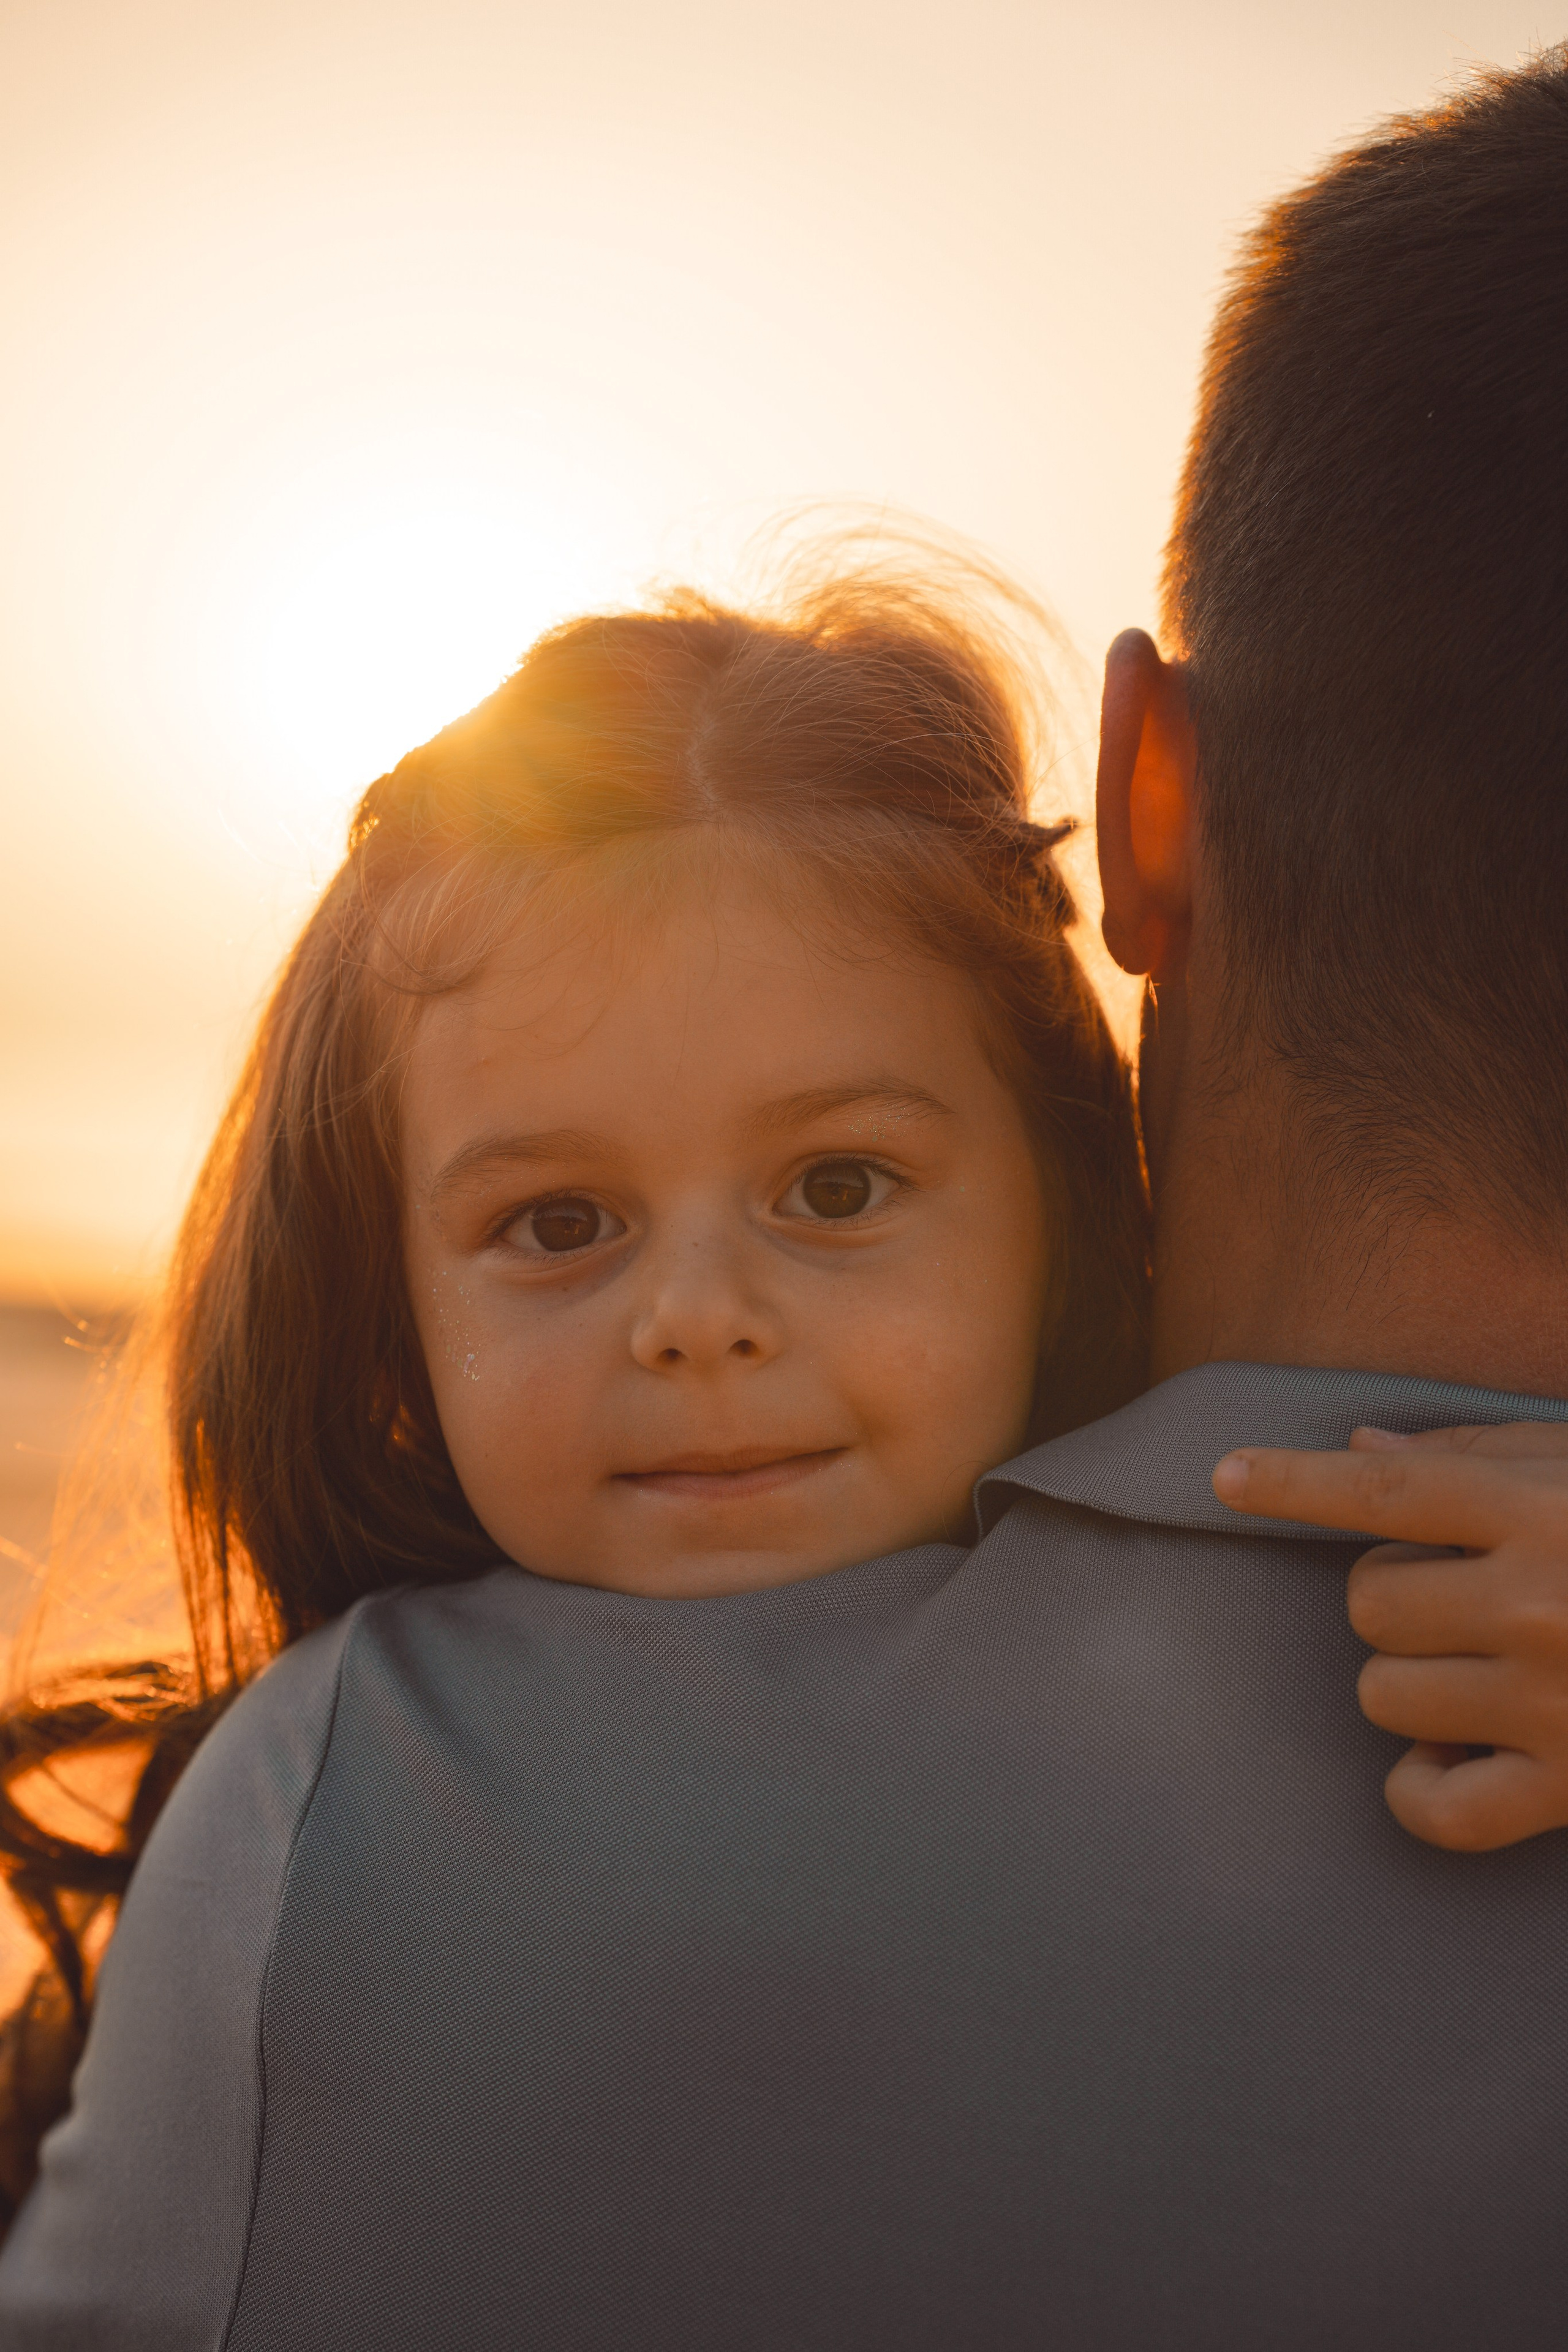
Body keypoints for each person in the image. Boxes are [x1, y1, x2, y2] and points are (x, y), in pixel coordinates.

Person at [4, 50, 1568, 2352]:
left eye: (837, 1183)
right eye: (556, 1223)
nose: (700, 1321)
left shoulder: (338, 1832)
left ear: (1144, 813)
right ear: (389, 1295)